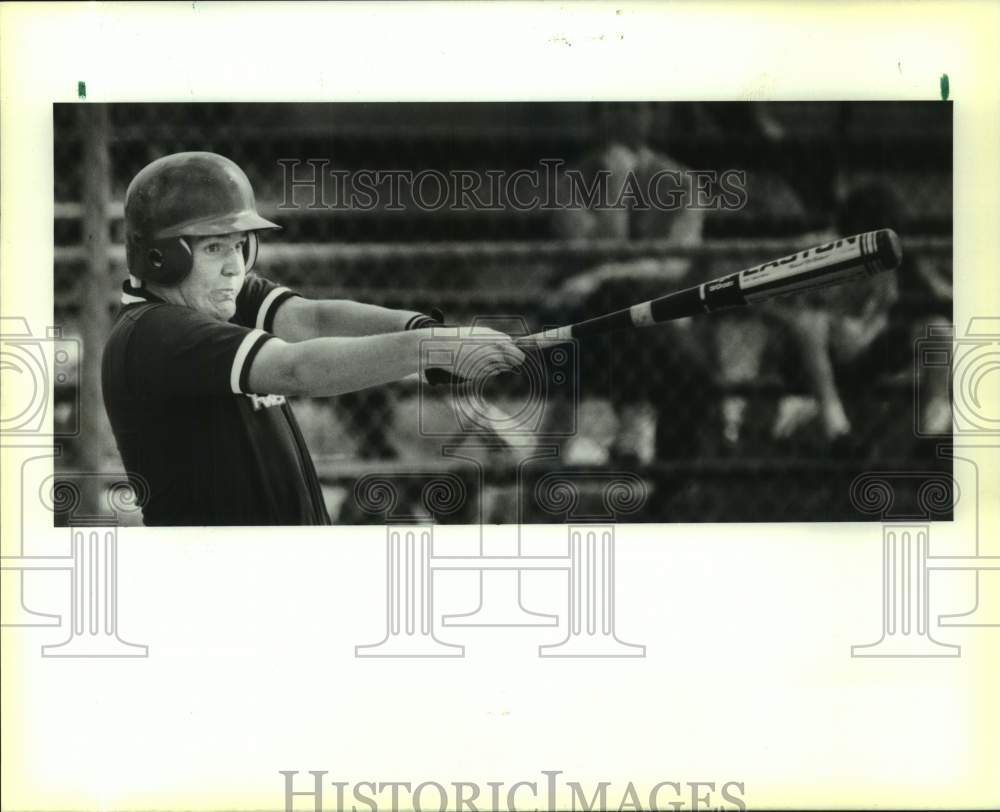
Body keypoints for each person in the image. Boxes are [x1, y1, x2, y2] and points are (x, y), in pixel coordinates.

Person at [102, 152, 524, 526]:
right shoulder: (155, 333)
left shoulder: (213, 295)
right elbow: (296, 369)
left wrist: (422, 329)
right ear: (162, 256)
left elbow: (314, 319)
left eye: (239, 246)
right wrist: (430, 351)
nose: (234, 267)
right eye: (214, 248)